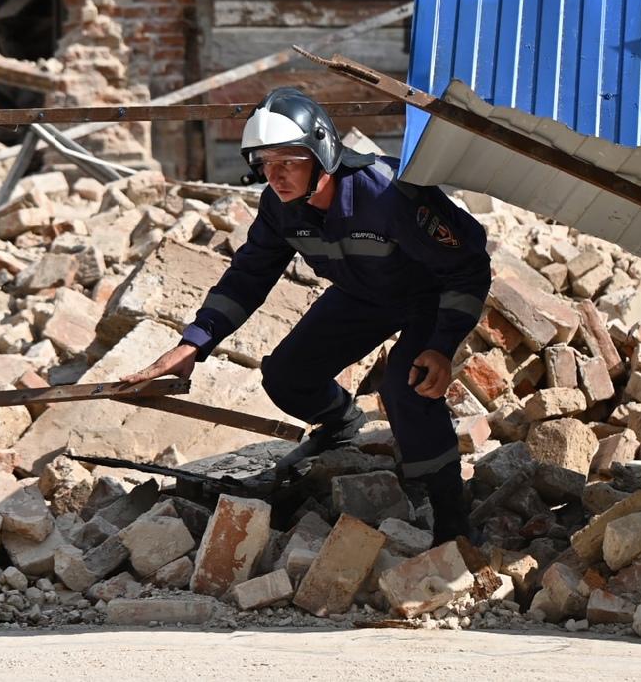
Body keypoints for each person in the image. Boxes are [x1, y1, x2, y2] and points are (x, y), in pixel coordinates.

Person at [121, 87, 491, 544]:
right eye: (265, 164)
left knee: (407, 386)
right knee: (285, 376)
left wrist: (443, 344)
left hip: (432, 296)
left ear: (323, 154)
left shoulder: (389, 194)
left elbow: (468, 267)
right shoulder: (280, 208)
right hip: (365, 295)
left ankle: (452, 519)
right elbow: (248, 275)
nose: (275, 176)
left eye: (288, 162)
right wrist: (194, 343)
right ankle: (344, 423)